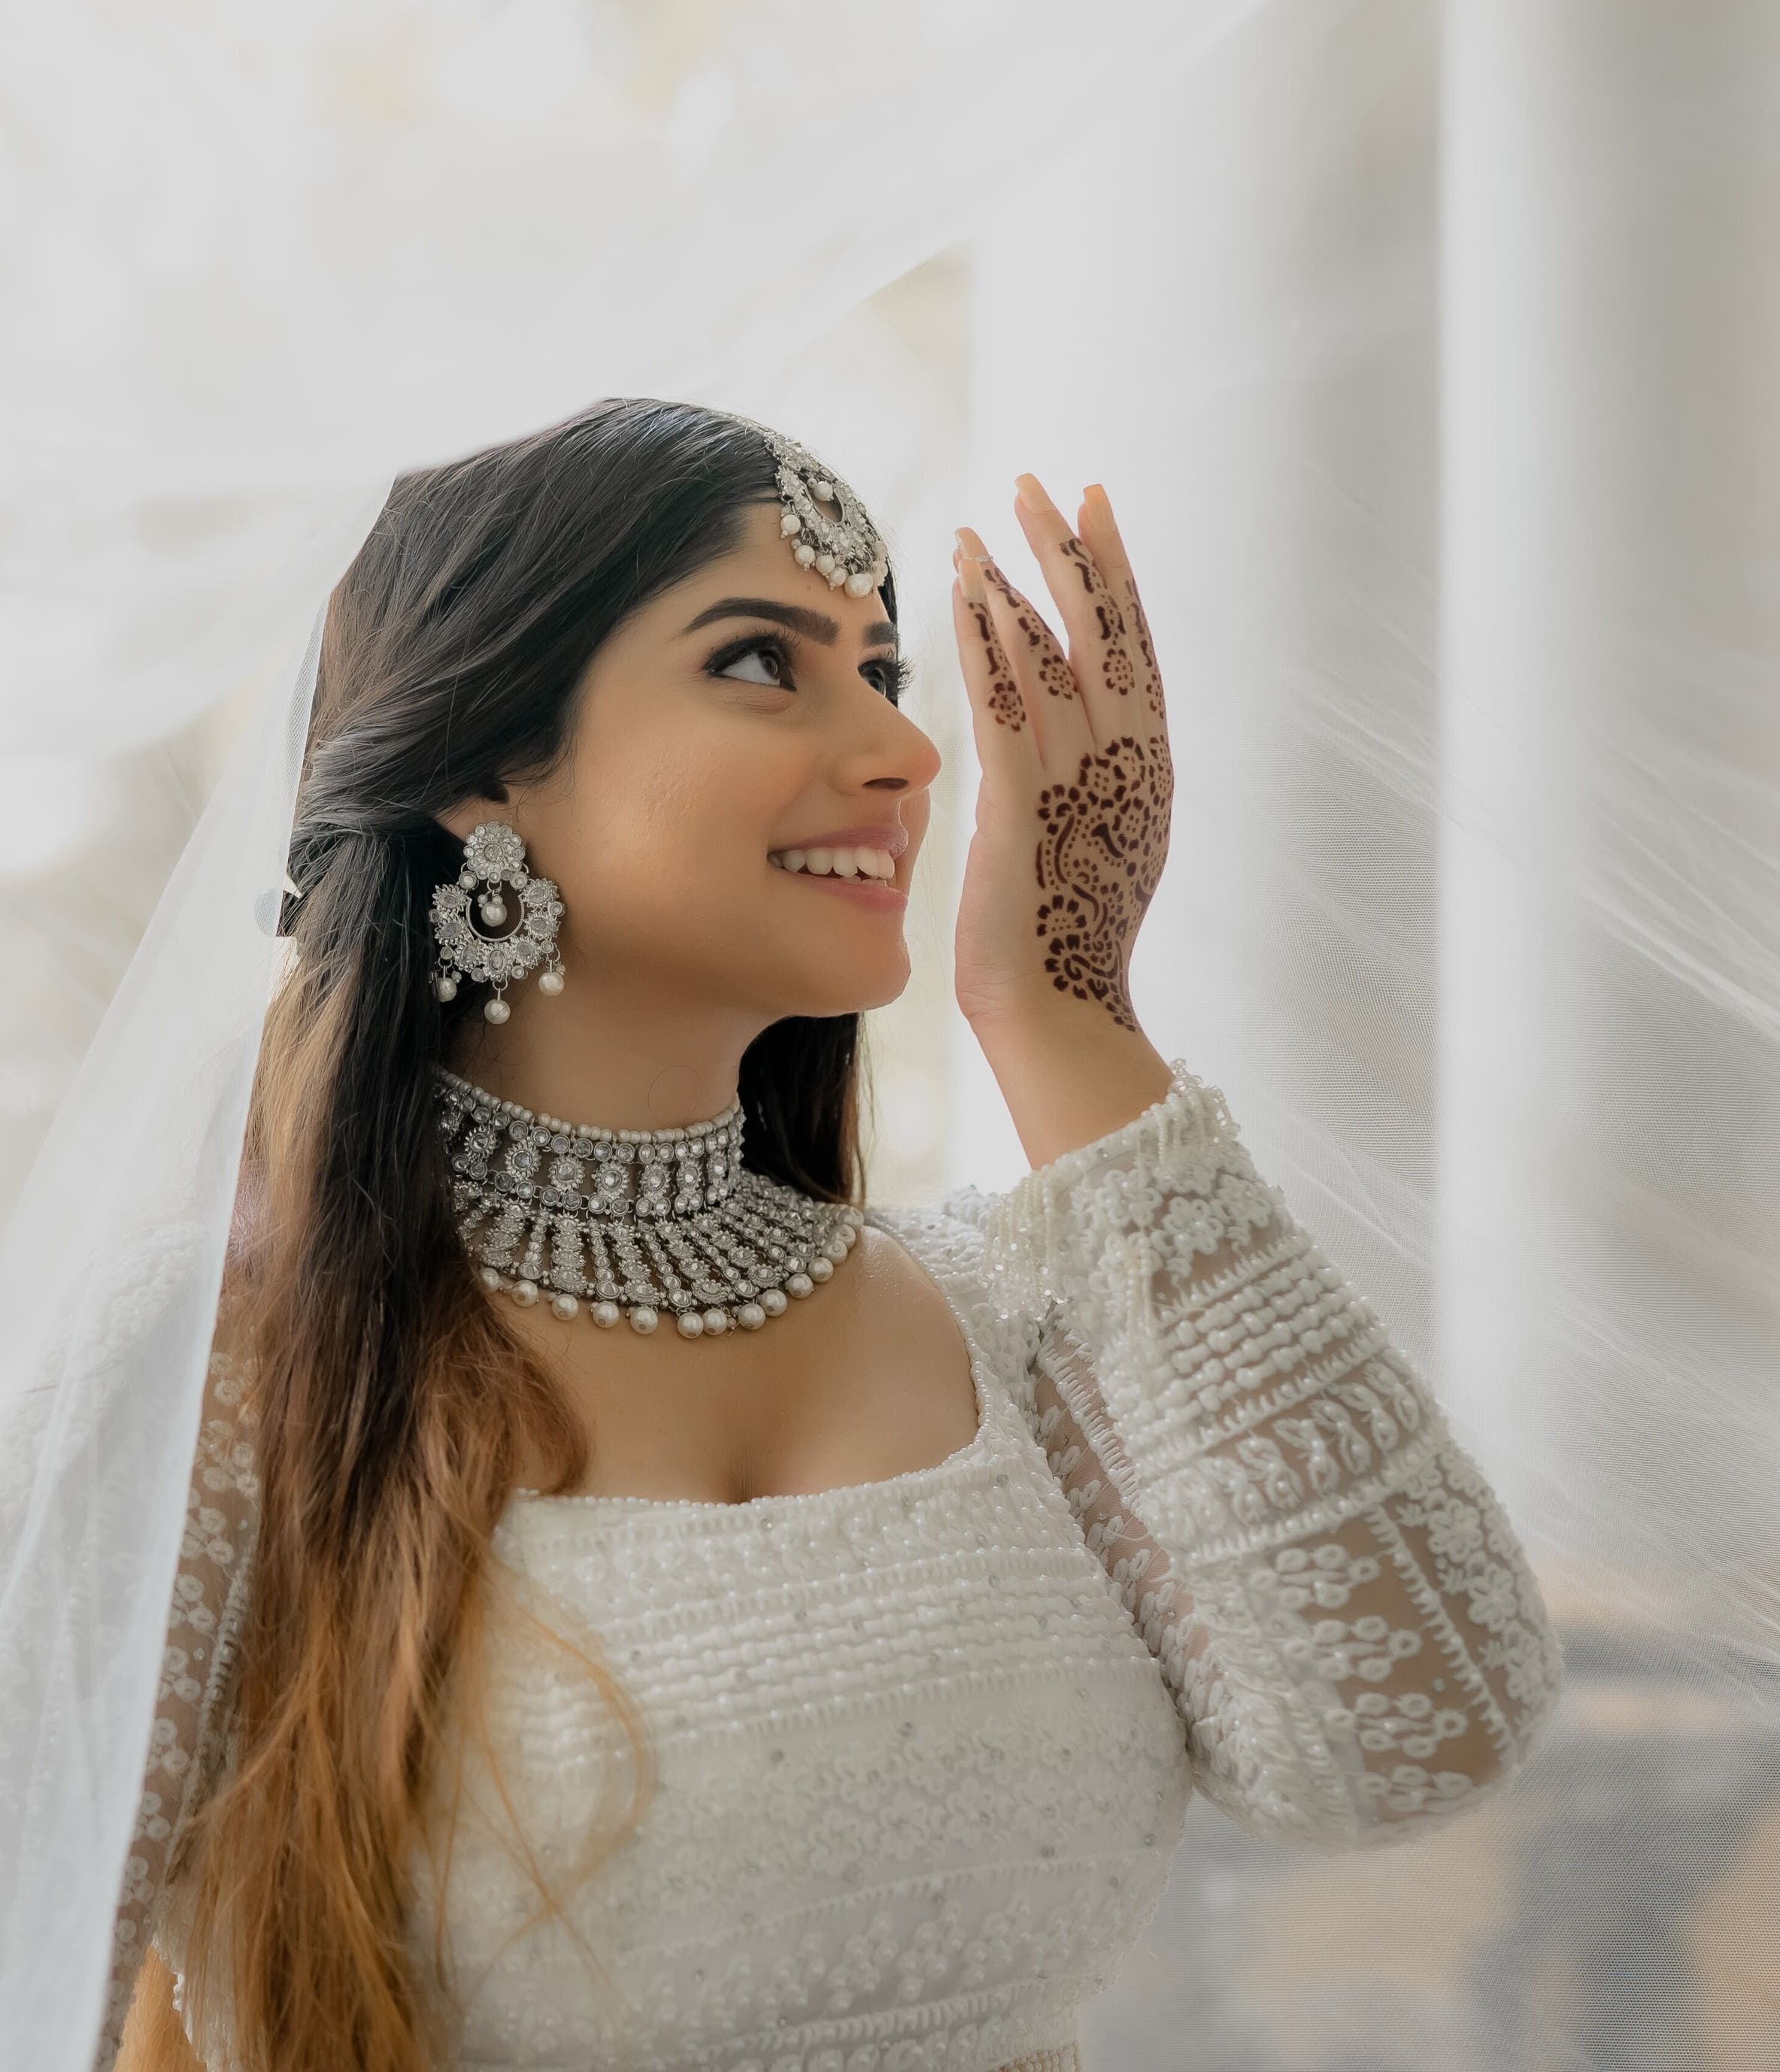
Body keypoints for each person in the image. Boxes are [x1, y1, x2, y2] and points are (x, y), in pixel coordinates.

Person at [95, 398, 1566, 2072]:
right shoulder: (215, 1375)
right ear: (480, 765)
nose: (909, 752)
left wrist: (1068, 1017)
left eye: (882, 672)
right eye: (758, 662)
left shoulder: (1005, 1313)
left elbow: (1421, 1729)